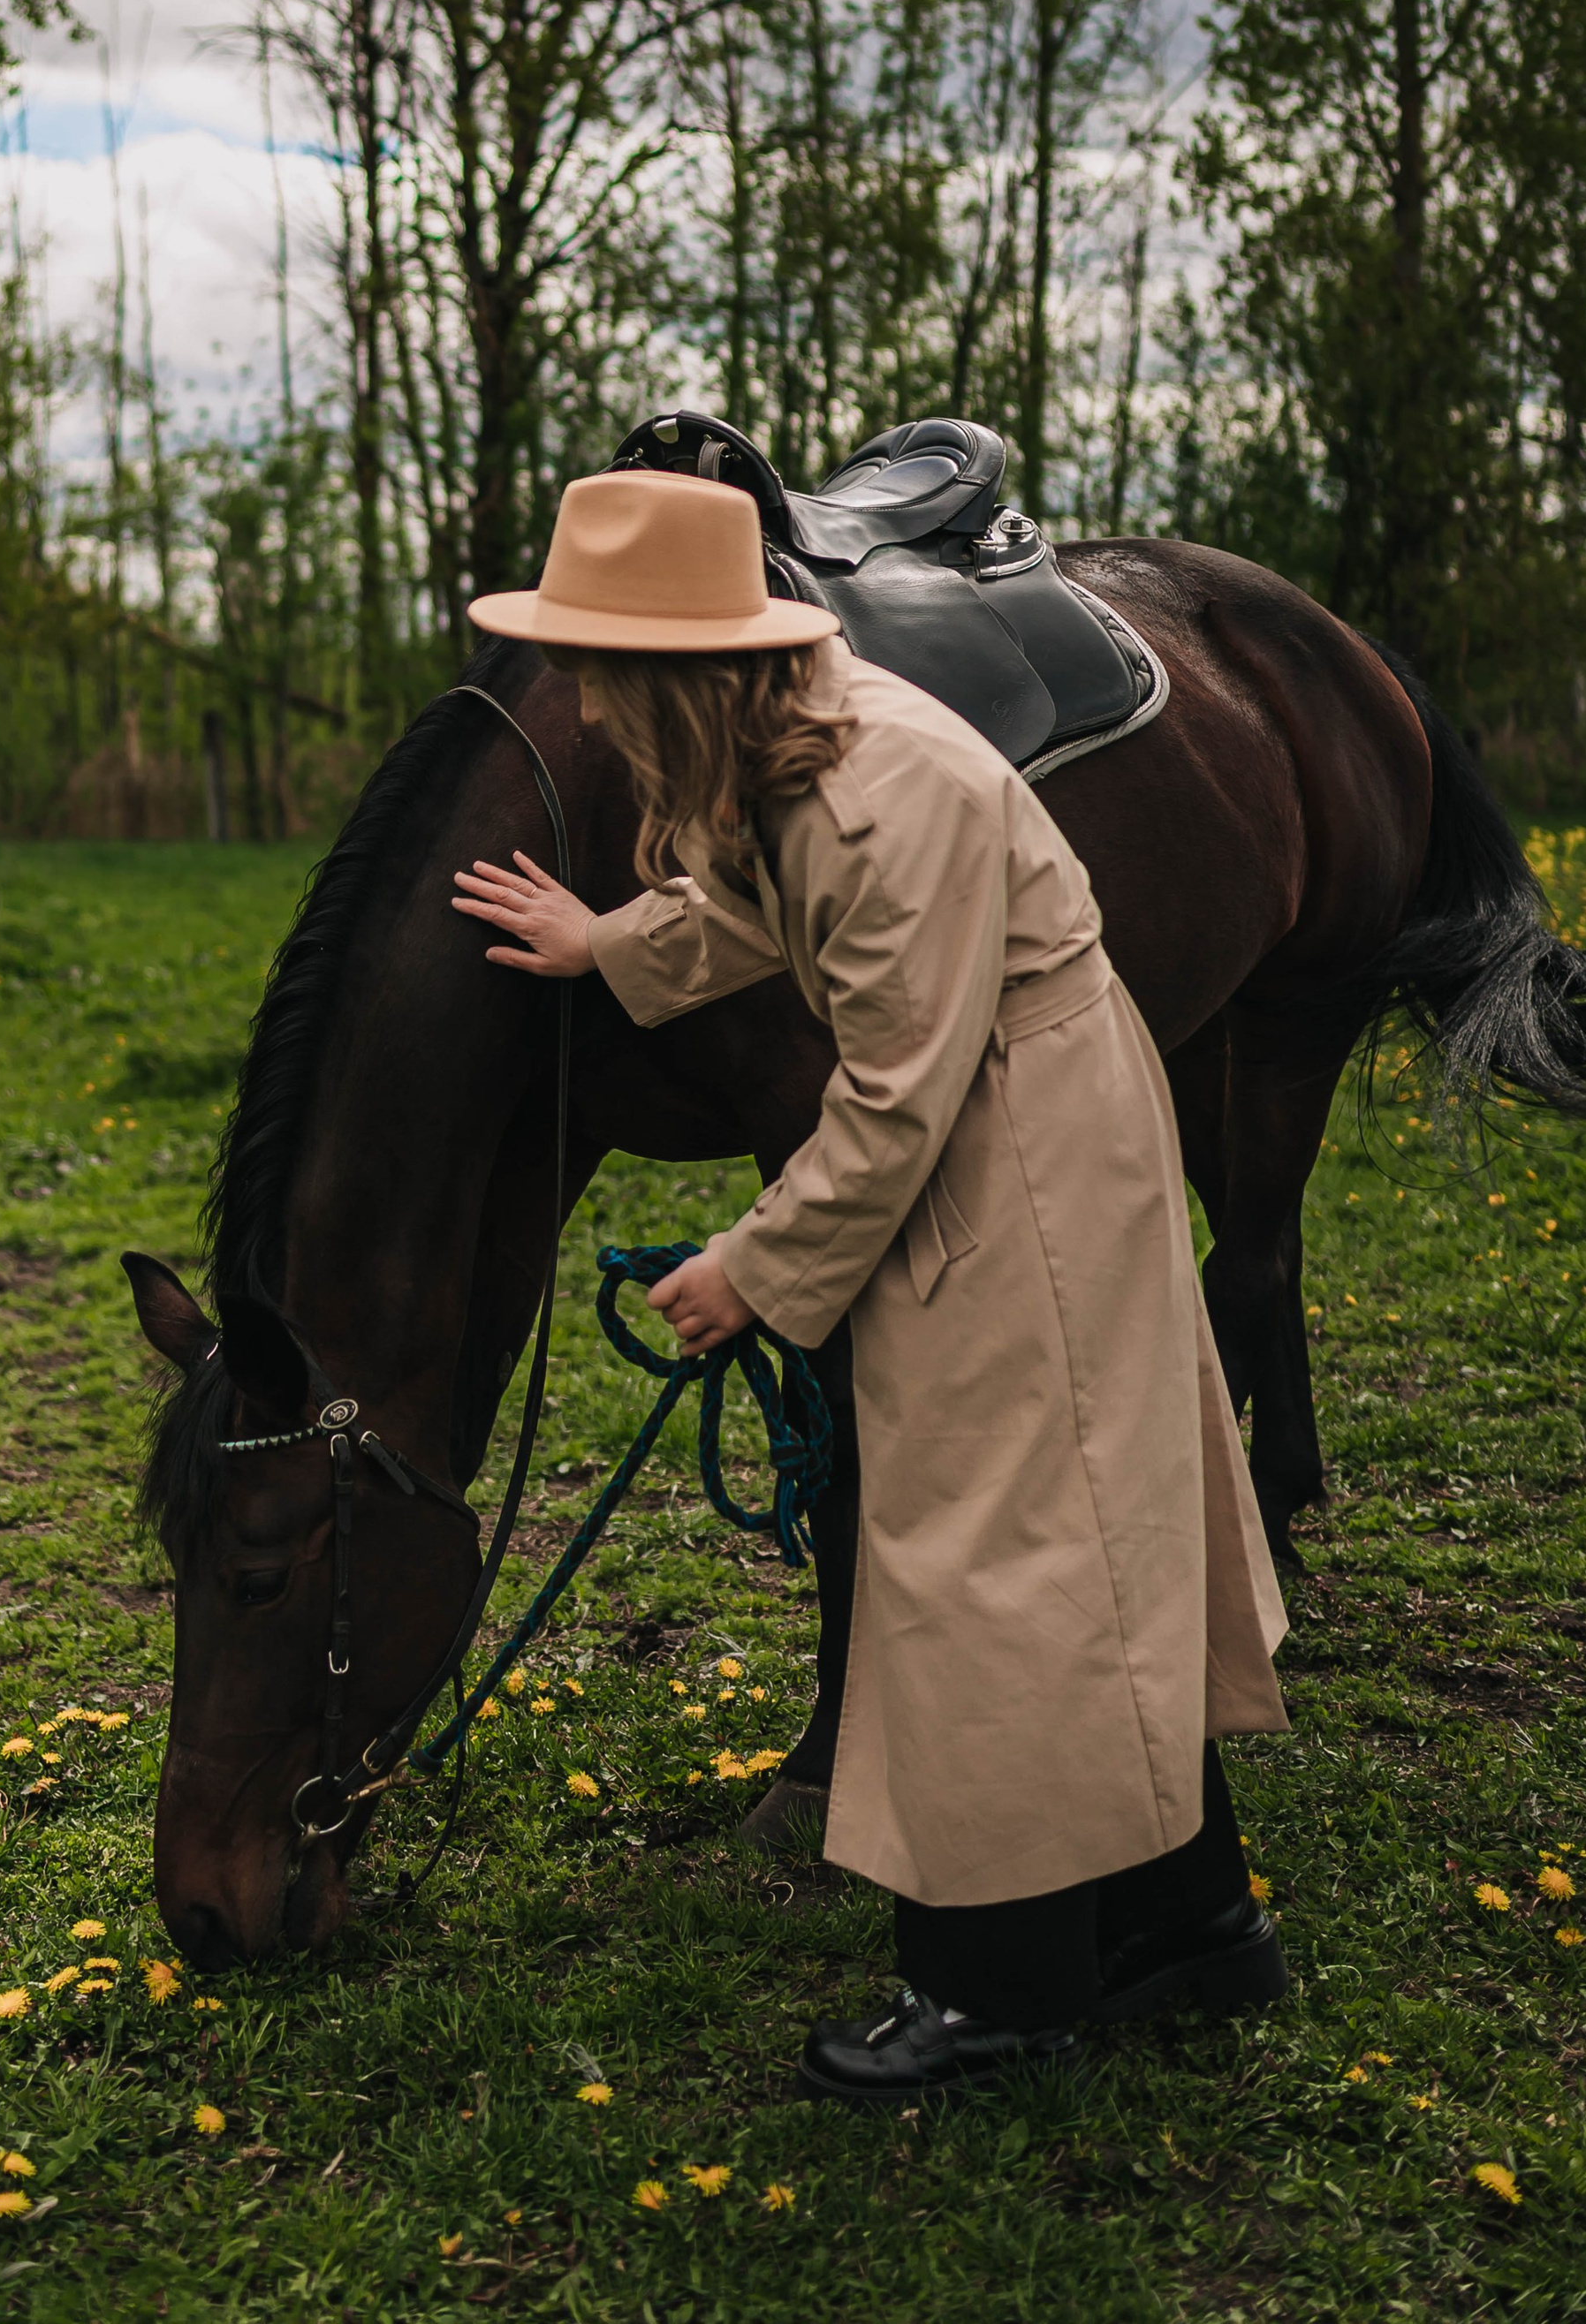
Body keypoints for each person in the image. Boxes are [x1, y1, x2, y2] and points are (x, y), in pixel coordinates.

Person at [452, 467, 1292, 2104]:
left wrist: (753, 1270)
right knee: (1067, 1528)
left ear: (684, 670)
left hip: (1024, 1148)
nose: (592, 706)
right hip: (995, 1118)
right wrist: (610, 944)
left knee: (990, 1550)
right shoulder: (793, 749)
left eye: (605, 672)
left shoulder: (878, 791)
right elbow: (753, 904)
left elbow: (899, 1096)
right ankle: (1189, 1923)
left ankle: (1001, 1991)